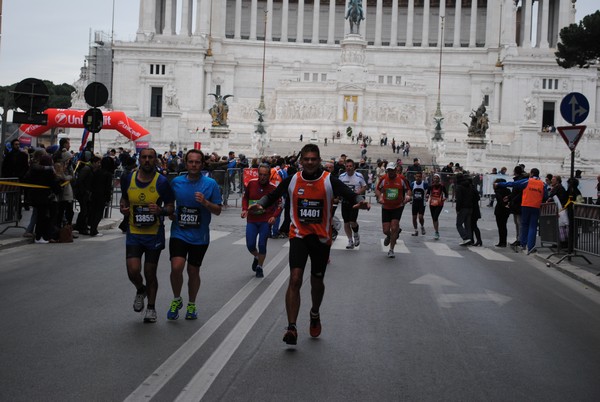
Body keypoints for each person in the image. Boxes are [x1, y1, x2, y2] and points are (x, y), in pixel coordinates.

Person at [249, 144, 369, 345]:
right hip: (299, 236)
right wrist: (260, 204)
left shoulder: (329, 180)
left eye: (314, 159)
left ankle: (314, 312)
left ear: (319, 160)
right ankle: (292, 327)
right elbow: (273, 195)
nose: (310, 162)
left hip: (321, 239)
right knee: (295, 279)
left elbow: (349, 194)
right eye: (306, 159)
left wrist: (360, 200)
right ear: (301, 161)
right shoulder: (293, 180)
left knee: (316, 281)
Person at [120, 148, 175, 323]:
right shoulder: (128, 178)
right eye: (144, 157)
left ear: (155, 160)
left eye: (150, 157)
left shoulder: (162, 182)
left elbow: (171, 207)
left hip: (153, 234)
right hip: (134, 232)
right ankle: (140, 289)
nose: (147, 160)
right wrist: (123, 208)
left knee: (150, 272)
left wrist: (160, 210)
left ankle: (151, 308)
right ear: (139, 160)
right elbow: (124, 199)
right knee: (133, 271)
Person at [166, 149, 222, 320]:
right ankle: (176, 299)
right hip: (179, 232)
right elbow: (169, 204)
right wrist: (170, 212)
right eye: (191, 162)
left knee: (193, 270)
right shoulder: (176, 182)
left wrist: (205, 202)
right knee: (176, 267)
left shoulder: (210, 184)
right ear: (185, 162)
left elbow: (218, 210)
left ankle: (191, 304)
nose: (194, 165)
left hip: (200, 235)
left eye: (197, 162)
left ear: (202, 164)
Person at [241, 164, 282, 278]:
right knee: (250, 244)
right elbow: (245, 197)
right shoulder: (252, 183)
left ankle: (259, 267)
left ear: (269, 175)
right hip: (252, 220)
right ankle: (256, 256)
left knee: (262, 244)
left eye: (265, 175)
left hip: (265, 220)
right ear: (258, 174)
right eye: (261, 174)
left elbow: (280, 204)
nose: (262, 177)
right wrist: (245, 209)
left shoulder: (273, 188)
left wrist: (274, 216)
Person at [495, 168, 548, 254]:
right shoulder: (543, 184)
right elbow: (545, 196)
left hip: (526, 205)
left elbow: (513, 184)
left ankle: (523, 244)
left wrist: (499, 184)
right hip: (536, 206)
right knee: (533, 227)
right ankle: (531, 247)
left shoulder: (527, 181)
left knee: (524, 225)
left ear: (531, 174)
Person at [375, 162, 411, 258]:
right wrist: (380, 197)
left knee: (394, 227)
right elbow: (377, 189)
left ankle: (391, 250)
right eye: (389, 170)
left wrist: (408, 196)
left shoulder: (402, 179)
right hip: (386, 207)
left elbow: (408, 189)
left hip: (398, 206)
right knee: (386, 230)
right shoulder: (383, 179)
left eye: (392, 170)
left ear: (395, 170)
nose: (390, 172)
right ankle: (390, 236)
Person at [338, 159, 368, 249]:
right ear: (345, 167)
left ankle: (356, 234)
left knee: (352, 221)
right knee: (346, 222)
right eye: (347, 166)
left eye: (350, 166)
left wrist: (359, 192)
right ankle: (350, 240)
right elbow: (339, 187)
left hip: (354, 202)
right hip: (345, 202)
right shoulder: (342, 176)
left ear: (353, 167)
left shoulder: (359, 176)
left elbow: (365, 186)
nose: (349, 168)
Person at [426, 173, 447, 240]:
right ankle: (436, 231)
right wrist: (427, 196)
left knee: (435, 217)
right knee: (434, 218)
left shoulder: (442, 186)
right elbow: (428, 193)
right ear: (433, 179)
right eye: (434, 178)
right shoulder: (431, 186)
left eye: (437, 178)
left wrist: (444, 198)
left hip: (439, 204)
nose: (435, 179)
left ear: (439, 179)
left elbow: (446, 194)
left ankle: (437, 232)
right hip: (432, 203)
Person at [454, 173, 474, 246]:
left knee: (459, 224)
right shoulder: (469, 185)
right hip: (470, 207)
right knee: (467, 224)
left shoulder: (459, 187)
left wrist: (457, 209)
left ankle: (465, 238)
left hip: (463, 207)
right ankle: (469, 238)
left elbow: (459, 199)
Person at [493, 178, 511, 247]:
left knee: (500, 227)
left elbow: (499, 200)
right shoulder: (508, 190)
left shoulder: (498, 191)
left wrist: (503, 205)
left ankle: (501, 242)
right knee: (504, 226)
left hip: (500, 210)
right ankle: (504, 241)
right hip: (506, 210)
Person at [410, 171, 428, 236]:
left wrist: (427, 195)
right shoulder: (412, 184)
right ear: (415, 177)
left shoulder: (424, 184)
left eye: (419, 177)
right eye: (417, 176)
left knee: (420, 217)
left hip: (422, 203)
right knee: (414, 218)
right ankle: (416, 230)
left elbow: (428, 191)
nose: (418, 178)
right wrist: (409, 197)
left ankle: (422, 226)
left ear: (421, 177)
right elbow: (409, 192)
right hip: (415, 202)